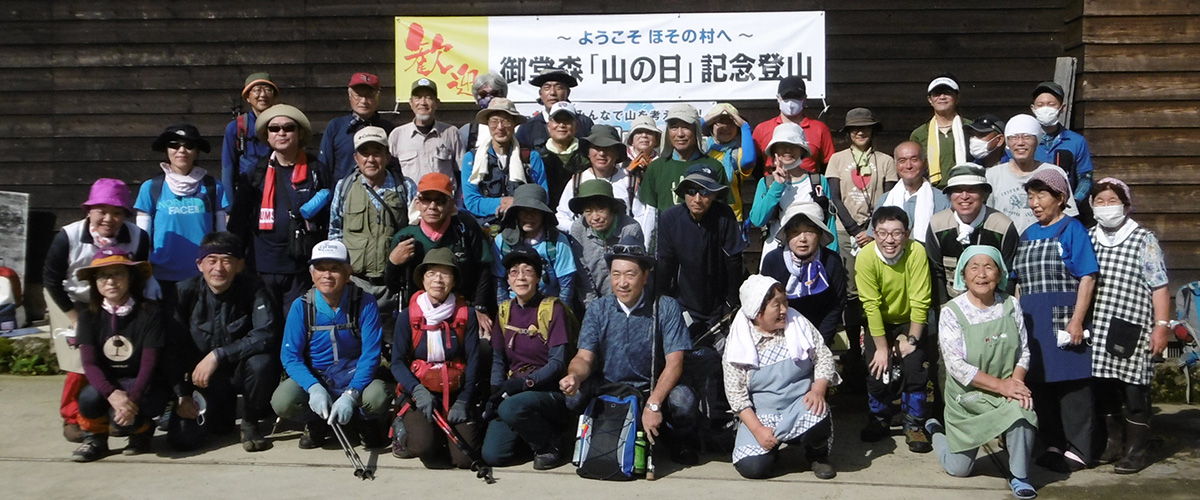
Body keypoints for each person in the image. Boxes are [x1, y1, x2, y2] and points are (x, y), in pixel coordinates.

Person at [559, 244, 702, 465]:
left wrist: (654, 404)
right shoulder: (597, 309)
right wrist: (575, 376)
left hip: (652, 390)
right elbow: (584, 357)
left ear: (645, 277)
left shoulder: (666, 307)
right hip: (611, 389)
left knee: (683, 400)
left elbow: (675, 363)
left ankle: (677, 439)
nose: (622, 283)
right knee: (573, 396)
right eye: (616, 275)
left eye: (630, 275)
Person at [44, 179, 154, 443]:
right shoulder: (68, 236)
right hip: (71, 298)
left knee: (118, 355)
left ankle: (113, 412)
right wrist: (76, 319)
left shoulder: (138, 236)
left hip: (115, 298)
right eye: (101, 211)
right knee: (80, 361)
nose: (108, 218)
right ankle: (73, 417)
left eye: (116, 212)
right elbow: (50, 279)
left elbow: (137, 279)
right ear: (89, 211)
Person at [926, 245, 1038, 500]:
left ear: (1000, 274)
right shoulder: (952, 312)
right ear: (963, 276)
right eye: (973, 267)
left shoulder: (1010, 305)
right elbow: (956, 367)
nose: (982, 274)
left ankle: (1019, 475)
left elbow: (1024, 352)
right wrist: (1002, 386)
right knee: (959, 469)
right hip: (969, 397)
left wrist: (1016, 385)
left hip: (1006, 388)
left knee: (1023, 409)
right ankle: (936, 432)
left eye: (989, 266)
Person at [1011, 169, 1098, 473]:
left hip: (1063, 318)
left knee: (1072, 388)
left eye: (1041, 195)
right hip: (1032, 320)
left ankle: (1079, 449)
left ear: (1060, 198)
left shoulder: (1072, 230)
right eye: (1031, 197)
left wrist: (1077, 320)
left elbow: (1087, 277)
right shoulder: (1027, 234)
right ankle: (1052, 443)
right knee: (1041, 385)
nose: (1034, 203)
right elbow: (1018, 282)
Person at [166, 232, 280, 452]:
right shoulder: (183, 292)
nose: (218, 268)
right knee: (184, 440)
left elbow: (266, 333)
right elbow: (171, 350)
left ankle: (250, 422)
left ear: (239, 265)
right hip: (201, 381)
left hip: (239, 372)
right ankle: (218, 413)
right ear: (200, 264)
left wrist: (219, 355)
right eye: (212, 260)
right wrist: (182, 395)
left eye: (226, 260)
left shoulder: (253, 288)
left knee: (262, 362)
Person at [271, 240, 389, 449]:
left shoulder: (365, 302)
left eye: (335, 268)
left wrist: (352, 395)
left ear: (348, 272)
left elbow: (371, 355)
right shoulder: (301, 306)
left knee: (377, 397)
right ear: (311, 273)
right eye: (320, 268)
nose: (326, 275)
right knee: (283, 401)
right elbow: (290, 357)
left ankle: (364, 422)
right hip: (317, 374)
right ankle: (317, 421)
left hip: (353, 373)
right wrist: (313, 387)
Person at [1088, 178, 1170, 474]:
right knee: (1105, 388)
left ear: (1126, 204)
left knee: (1135, 391)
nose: (1106, 206)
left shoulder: (1143, 239)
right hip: (1098, 326)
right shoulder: (1090, 237)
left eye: (1113, 200)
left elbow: (1159, 285)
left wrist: (1161, 326)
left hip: (1134, 325)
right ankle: (1112, 444)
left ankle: (1137, 450)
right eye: (1100, 201)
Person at [723, 275, 839, 479]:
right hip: (763, 413)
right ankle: (771, 449)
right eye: (777, 305)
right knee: (752, 468)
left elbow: (823, 357)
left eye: (785, 302)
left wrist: (818, 389)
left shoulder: (798, 324)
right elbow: (736, 396)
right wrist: (758, 430)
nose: (785, 310)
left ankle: (817, 454)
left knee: (818, 413)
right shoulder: (738, 343)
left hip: (800, 404)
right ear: (758, 312)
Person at [228, 104, 333, 318]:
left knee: (298, 327)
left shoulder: (317, 170)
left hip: (301, 268)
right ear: (267, 136)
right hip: (261, 266)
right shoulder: (255, 172)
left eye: (288, 127)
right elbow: (238, 219)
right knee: (266, 327)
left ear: (300, 133)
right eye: (274, 128)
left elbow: (330, 217)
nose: (281, 132)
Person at [70, 249, 168, 462]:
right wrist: (113, 393)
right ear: (95, 282)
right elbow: (90, 364)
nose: (110, 281)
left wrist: (131, 400)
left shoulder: (149, 313)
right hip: (110, 383)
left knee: (128, 415)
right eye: (103, 275)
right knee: (88, 396)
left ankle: (141, 431)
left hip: (141, 383)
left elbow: (150, 362)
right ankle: (95, 439)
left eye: (118, 274)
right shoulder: (88, 317)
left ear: (130, 278)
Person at [481, 247, 574, 469]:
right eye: (513, 272)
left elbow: (558, 362)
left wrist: (523, 384)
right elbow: (498, 358)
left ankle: (551, 444)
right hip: (514, 390)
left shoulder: (553, 309)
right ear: (508, 280)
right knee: (494, 456)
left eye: (527, 271)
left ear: (538, 278)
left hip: (548, 391)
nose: (520, 277)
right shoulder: (504, 311)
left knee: (511, 408)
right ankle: (530, 435)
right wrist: (496, 389)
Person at [391, 248, 482, 467]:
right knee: (422, 448)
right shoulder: (407, 316)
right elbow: (396, 362)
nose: (438, 280)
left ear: (454, 281)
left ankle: (442, 430)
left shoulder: (466, 315)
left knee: (465, 459)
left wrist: (464, 400)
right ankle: (402, 429)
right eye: (431, 273)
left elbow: (474, 359)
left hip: (455, 389)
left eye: (445, 274)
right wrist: (417, 391)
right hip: (420, 390)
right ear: (422, 279)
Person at [855, 206, 933, 453]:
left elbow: (921, 299)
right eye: (882, 233)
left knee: (914, 367)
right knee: (877, 369)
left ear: (907, 233)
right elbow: (871, 304)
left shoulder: (916, 252)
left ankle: (914, 423)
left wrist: (911, 339)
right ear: (874, 233)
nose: (889, 240)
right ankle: (879, 417)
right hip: (880, 320)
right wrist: (881, 348)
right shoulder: (866, 257)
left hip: (910, 318)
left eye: (897, 233)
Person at [328, 126, 417, 340]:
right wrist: (340, 273)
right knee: (355, 339)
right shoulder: (345, 186)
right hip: (355, 282)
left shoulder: (404, 186)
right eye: (364, 153)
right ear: (356, 158)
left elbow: (416, 228)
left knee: (392, 341)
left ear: (386, 156)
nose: (370, 159)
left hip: (393, 284)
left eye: (376, 153)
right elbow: (335, 231)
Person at [384, 173, 496, 332]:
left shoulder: (465, 229)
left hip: (463, 307)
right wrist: (393, 263)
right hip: (420, 313)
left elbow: (484, 267)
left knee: (484, 344)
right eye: (426, 199)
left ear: (451, 204)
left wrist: (479, 307)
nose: (432, 206)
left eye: (440, 200)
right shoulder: (405, 237)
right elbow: (393, 286)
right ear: (417, 203)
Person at [826, 108, 896, 351]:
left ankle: (877, 345)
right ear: (847, 133)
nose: (860, 132)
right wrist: (855, 229)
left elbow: (888, 197)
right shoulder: (837, 159)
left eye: (865, 127)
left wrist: (871, 230)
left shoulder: (886, 161)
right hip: (846, 232)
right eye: (854, 128)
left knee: (876, 287)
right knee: (851, 292)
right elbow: (834, 197)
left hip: (878, 232)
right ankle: (854, 350)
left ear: (873, 130)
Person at [135, 123, 228, 309]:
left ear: (197, 151)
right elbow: (141, 240)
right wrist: (147, 277)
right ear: (166, 150)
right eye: (174, 145)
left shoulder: (213, 187)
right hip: (161, 279)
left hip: (202, 278)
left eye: (189, 145)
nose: (182, 150)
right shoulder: (150, 188)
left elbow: (222, 238)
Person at [657, 164, 746, 342]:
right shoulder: (670, 218)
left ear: (714, 194)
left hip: (720, 304)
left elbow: (733, 262)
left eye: (705, 192)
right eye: (691, 191)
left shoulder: (724, 215)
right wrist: (665, 302)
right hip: (683, 303)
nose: (697, 199)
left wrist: (731, 302)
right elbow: (665, 265)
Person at [926, 163, 1020, 306]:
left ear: (984, 194)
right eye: (957, 190)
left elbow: (1008, 276)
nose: (964, 196)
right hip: (952, 304)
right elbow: (936, 273)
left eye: (972, 190)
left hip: (994, 305)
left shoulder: (1003, 226)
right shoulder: (937, 225)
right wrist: (944, 309)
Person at [759, 202, 846, 347]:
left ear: (819, 233)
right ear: (786, 235)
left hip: (820, 334)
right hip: (780, 335)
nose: (802, 239)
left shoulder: (831, 261)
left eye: (810, 231)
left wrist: (821, 343)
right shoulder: (773, 261)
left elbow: (836, 305)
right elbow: (766, 305)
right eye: (795, 232)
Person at [748, 122, 837, 264]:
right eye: (782, 145)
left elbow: (829, 221)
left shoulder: (818, 181)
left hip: (813, 257)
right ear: (774, 151)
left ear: (802, 150)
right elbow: (758, 220)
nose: (788, 150)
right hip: (775, 257)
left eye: (794, 145)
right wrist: (778, 186)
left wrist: (832, 259)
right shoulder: (766, 183)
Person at [555, 125, 653, 247]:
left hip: (625, 250)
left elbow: (641, 216)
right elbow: (561, 216)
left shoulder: (630, 181)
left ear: (617, 153)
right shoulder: (576, 181)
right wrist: (583, 232)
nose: (601, 153)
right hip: (586, 253)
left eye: (608, 148)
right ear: (588, 152)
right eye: (596, 147)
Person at [461, 97, 549, 228]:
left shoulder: (530, 157)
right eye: (494, 122)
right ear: (488, 125)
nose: (500, 127)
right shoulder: (472, 158)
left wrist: (516, 204)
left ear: (514, 124)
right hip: (485, 228)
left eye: (506, 121)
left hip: (523, 226)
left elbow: (543, 196)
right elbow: (472, 201)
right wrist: (504, 202)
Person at [985, 114, 1078, 233]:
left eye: (1027, 137)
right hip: (1004, 244)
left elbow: (1068, 216)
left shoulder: (1054, 173)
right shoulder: (993, 175)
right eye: (1013, 137)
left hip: (1044, 243)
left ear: (1037, 140)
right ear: (1007, 142)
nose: (1020, 143)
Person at [491, 184, 577, 308]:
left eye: (535, 211)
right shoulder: (502, 241)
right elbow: (499, 282)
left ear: (543, 215)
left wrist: (560, 314)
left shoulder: (557, 241)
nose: (528, 216)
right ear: (516, 214)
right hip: (514, 307)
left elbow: (567, 285)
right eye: (523, 211)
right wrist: (504, 311)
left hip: (549, 308)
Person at [638, 104, 731, 214]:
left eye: (686, 127)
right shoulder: (656, 167)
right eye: (674, 127)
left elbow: (722, 212)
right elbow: (648, 213)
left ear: (696, 130)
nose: (680, 134)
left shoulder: (714, 167)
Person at [567, 180, 645, 307]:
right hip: (595, 301)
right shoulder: (578, 229)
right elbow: (583, 273)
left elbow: (634, 274)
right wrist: (593, 308)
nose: (595, 217)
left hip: (630, 300)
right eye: (588, 211)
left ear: (612, 209)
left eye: (601, 209)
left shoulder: (630, 229)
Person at [319, 72, 397, 182]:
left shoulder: (388, 129)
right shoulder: (336, 127)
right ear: (350, 96)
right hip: (343, 195)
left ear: (378, 98)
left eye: (369, 96)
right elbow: (324, 167)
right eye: (358, 95)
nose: (364, 101)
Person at [388, 78, 462, 189]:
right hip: (411, 203)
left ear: (437, 103)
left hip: (444, 202)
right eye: (418, 97)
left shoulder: (451, 133)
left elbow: (461, 172)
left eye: (429, 98)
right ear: (411, 103)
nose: (423, 103)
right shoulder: (397, 135)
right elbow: (389, 174)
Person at [751, 75, 835, 175]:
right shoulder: (762, 129)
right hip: (772, 186)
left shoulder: (820, 129)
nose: (790, 102)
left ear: (804, 99)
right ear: (778, 98)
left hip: (808, 186)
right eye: (786, 97)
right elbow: (755, 165)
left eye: (796, 97)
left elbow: (829, 165)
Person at [1031, 81, 1094, 205]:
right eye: (1040, 105)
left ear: (1062, 108)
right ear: (1033, 108)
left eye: (1051, 104)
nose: (1045, 109)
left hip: (1064, 209)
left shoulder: (1076, 141)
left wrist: (1074, 201)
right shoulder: (1024, 141)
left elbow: (1086, 178)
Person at [874, 141, 950, 243]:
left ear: (925, 163)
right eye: (902, 161)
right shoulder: (885, 201)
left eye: (914, 160)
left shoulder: (942, 200)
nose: (908, 165)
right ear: (896, 166)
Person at [221, 72, 279, 197]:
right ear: (248, 97)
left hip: (277, 193)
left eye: (268, 90)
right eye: (257, 90)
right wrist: (229, 209)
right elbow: (227, 167)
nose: (262, 95)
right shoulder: (236, 128)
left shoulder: (284, 126)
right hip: (247, 194)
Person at [910, 74, 972, 187]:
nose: (942, 97)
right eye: (937, 94)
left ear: (957, 97)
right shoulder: (919, 134)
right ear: (930, 99)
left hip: (965, 188)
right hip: (933, 190)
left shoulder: (970, 128)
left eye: (948, 92)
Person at [514, 68, 595, 149]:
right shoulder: (527, 127)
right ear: (540, 93)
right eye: (547, 88)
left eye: (558, 87)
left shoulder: (584, 123)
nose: (552, 93)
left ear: (568, 92)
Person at [703, 103, 756, 220]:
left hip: (732, 219)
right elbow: (692, 129)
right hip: (702, 218)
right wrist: (712, 117)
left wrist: (745, 126)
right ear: (711, 125)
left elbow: (749, 161)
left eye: (731, 123)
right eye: (721, 122)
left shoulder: (738, 154)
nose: (726, 127)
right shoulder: (701, 149)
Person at [534, 101, 591, 209]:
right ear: (549, 126)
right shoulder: (537, 156)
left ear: (577, 126)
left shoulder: (587, 156)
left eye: (567, 121)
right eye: (557, 121)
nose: (561, 125)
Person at [459, 72, 509, 160]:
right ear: (476, 99)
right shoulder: (467, 131)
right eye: (483, 95)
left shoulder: (518, 128)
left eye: (495, 94)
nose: (489, 98)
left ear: (504, 96)